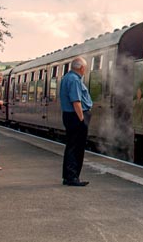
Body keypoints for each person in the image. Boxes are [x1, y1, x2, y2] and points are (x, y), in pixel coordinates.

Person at [60, 56, 92, 186]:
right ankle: (72, 177)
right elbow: (76, 101)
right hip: (76, 116)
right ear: (82, 68)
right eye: (85, 68)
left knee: (72, 146)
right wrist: (82, 120)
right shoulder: (74, 80)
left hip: (70, 116)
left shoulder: (67, 78)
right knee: (76, 147)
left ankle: (69, 176)